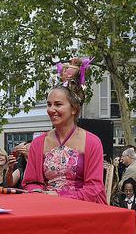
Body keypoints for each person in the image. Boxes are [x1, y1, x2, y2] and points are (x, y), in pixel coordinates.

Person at [23, 58, 106, 204]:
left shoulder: (92, 142)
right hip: (47, 207)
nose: (51, 110)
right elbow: (30, 183)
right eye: (49, 104)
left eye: (58, 104)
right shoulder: (38, 143)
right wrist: (39, 193)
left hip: (82, 209)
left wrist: (60, 196)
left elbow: (94, 187)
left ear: (74, 109)